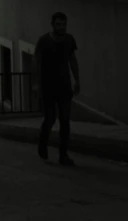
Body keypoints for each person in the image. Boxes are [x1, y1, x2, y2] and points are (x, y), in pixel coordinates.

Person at [33, 11, 80, 167]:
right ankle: (43, 143)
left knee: (65, 121)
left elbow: (72, 59)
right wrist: (37, 84)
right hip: (48, 87)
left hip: (65, 87)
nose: (61, 27)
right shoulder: (44, 41)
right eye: (58, 24)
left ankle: (63, 155)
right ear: (52, 25)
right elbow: (37, 63)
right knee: (50, 118)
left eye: (64, 24)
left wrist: (77, 80)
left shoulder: (69, 40)